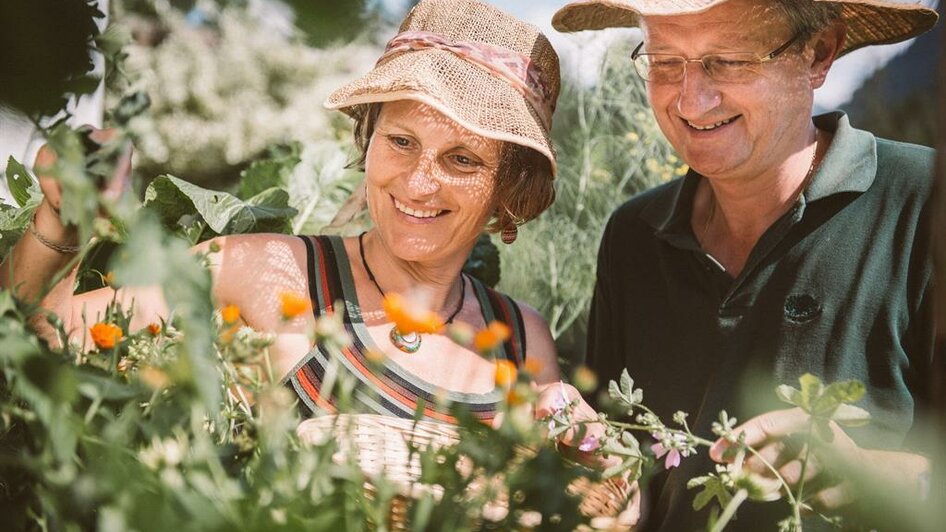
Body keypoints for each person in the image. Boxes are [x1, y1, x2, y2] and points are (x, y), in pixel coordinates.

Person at [0, 0, 566, 426]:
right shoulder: (264, 270)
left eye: (462, 159)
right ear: (366, 137)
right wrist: (60, 221)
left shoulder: (520, 338)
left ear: (508, 191)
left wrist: (602, 481)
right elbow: (33, 346)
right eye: (400, 141)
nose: (419, 182)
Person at [551, 0, 938, 529]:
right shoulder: (633, 235)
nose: (692, 98)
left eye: (728, 60)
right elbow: (622, 463)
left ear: (818, 53)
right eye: (665, 62)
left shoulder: (925, 202)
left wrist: (861, 473)